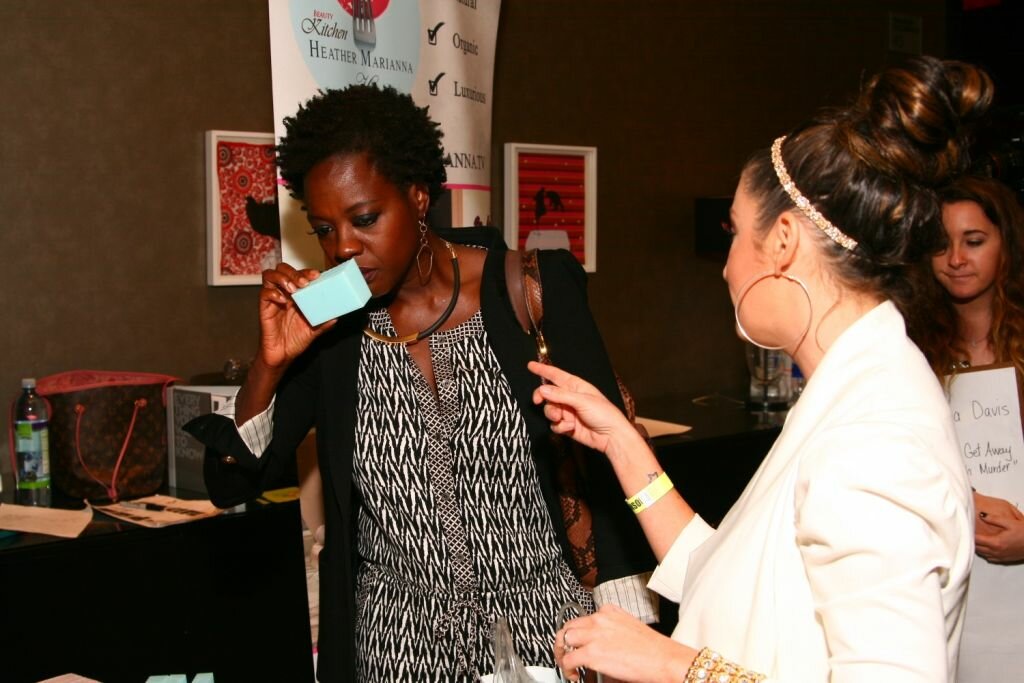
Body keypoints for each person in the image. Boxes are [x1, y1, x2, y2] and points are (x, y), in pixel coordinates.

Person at [530, 56, 991, 682]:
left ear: (782, 240)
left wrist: (674, 667)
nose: (726, 266)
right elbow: (721, 580)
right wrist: (622, 443)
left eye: (735, 234)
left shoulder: (876, 441)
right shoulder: (846, 390)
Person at [183, 83, 655, 683]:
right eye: (325, 229)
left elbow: (618, 462)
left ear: (418, 194)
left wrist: (629, 631)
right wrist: (269, 364)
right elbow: (231, 483)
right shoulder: (333, 333)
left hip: (547, 639)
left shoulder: (530, 290)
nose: (345, 249)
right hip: (395, 651)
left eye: (365, 219)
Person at [911, 175, 1024, 680]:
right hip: (942, 584)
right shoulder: (908, 351)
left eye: (974, 241)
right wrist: (968, 501)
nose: (956, 258)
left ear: (1007, 245)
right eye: (941, 244)